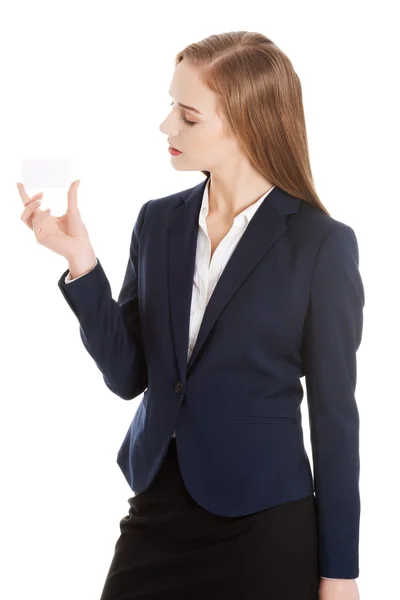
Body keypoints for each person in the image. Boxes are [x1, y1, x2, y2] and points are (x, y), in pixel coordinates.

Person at [18, 31, 364, 600]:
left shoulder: (320, 245)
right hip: (157, 511)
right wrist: (82, 264)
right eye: (169, 107)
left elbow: (335, 419)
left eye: (187, 115)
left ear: (248, 123)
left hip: (264, 522)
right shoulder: (159, 223)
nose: (165, 127)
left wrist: (340, 572)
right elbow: (128, 376)